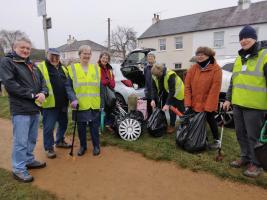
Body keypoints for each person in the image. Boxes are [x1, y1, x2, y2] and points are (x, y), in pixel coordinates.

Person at [0, 37, 48, 182]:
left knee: (31, 139)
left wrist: (43, 93)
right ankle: (19, 169)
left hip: (34, 109)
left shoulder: (32, 65)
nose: (26, 50)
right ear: (14, 48)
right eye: (23, 47)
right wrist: (33, 95)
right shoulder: (8, 62)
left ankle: (28, 160)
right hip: (20, 110)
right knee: (20, 141)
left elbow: (43, 83)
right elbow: (10, 84)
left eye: (28, 48)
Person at [223, 25, 267, 178]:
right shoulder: (239, 58)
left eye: (247, 37)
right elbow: (233, 81)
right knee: (240, 134)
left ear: (254, 37)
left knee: (253, 137)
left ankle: (256, 164)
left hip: (256, 106)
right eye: (241, 38)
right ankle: (245, 157)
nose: (243, 41)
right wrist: (228, 99)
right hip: (238, 104)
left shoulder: (264, 55)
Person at [66, 45, 101, 156]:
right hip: (79, 104)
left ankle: (96, 146)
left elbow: (101, 87)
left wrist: (103, 102)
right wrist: (72, 99)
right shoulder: (72, 69)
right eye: (84, 53)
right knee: (81, 127)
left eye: (88, 53)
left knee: (94, 127)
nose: (86, 55)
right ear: (80, 54)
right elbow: (68, 86)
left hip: (94, 103)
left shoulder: (96, 68)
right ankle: (83, 146)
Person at [184, 47, 222, 149]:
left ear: (209, 56)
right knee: (196, 121)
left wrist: (208, 107)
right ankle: (201, 139)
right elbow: (187, 87)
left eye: (202, 54)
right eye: (198, 54)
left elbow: (215, 89)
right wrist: (188, 103)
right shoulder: (192, 69)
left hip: (208, 103)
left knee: (210, 120)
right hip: (195, 102)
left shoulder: (216, 69)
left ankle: (217, 140)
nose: (200, 57)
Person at [37, 48, 71, 159]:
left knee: (64, 123)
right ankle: (49, 148)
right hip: (49, 104)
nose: (55, 58)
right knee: (49, 127)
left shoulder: (63, 68)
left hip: (63, 103)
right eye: (52, 55)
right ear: (47, 55)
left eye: (57, 56)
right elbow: (38, 84)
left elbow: (68, 84)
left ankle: (60, 140)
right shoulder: (41, 67)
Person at [151, 63, 185, 133]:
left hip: (179, 94)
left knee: (181, 110)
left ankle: (185, 125)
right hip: (169, 93)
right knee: (172, 111)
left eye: (158, 75)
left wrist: (167, 104)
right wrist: (153, 99)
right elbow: (154, 89)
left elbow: (172, 90)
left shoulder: (170, 74)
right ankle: (172, 126)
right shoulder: (155, 75)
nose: (156, 77)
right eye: (155, 76)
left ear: (161, 71)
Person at [98, 51, 115, 132]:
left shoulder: (110, 69)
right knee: (101, 108)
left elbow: (112, 83)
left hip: (108, 91)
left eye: (107, 58)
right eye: (103, 58)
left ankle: (108, 124)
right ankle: (98, 127)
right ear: (100, 58)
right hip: (99, 92)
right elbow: (100, 81)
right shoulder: (97, 67)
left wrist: (109, 81)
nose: (105, 60)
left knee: (110, 107)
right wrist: (107, 81)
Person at [144, 52, 156, 119]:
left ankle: (159, 123)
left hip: (156, 92)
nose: (150, 58)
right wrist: (146, 90)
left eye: (151, 56)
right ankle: (150, 122)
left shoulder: (157, 66)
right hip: (148, 91)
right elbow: (146, 80)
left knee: (158, 109)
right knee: (149, 109)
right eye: (148, 56)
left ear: (154, 58)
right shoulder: (146, 68)